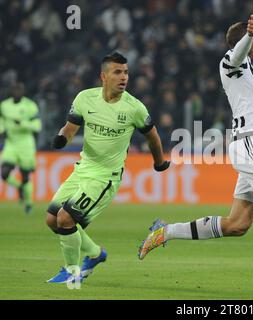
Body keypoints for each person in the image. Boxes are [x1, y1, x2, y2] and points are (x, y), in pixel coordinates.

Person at [138, 15, 253, 286]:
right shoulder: (230, 62)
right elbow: (237, 53)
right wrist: (250, 34)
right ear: (247, 39)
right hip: (251, 144)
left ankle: (165, 232)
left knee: (237, 225)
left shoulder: (250, 76)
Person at [45, 52, 170, 286]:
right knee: (52, 219)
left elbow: (153, 136)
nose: (124, 77)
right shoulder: (85, 98)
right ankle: (95, 254)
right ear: (103, 76)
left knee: (65, 218)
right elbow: (70, 127)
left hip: (105, 177)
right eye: (117, 72)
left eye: (126, 72)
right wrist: (62, 138)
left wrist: (159, 162)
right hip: (83, 169)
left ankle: (72, 273)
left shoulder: (134, 108)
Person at [0, 82, 41, 214]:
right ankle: (20, 188)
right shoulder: (4, 105)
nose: (17, 92)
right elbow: (1, 121)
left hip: (26, 145)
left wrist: (22, 123)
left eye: (19, 90)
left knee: (25, 176)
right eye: (15, 90)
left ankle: (28, 204)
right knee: (4, 173)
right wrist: (1, 130)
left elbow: (37, 126)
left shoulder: (30, 106)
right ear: (11, 91)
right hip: (11, 143)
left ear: (23, 91)